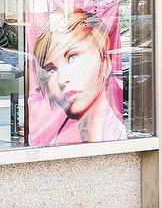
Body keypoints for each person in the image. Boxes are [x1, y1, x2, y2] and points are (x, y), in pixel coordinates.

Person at [30, 9, 125, 145]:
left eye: (73, 57)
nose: (61, 80)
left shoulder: (118, 139)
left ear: (105, 62)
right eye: (51, 70)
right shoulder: (57, 141)